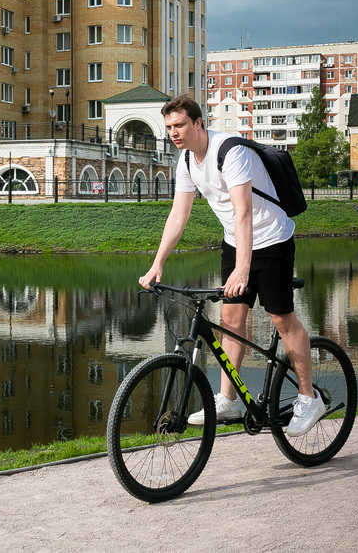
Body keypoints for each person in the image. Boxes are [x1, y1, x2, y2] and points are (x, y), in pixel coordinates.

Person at [139, 94, 325, 437]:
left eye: (179, 125)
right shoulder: (186, 161)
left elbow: (244, 211)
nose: (173, 132)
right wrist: (157, 264)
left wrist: (243, 269)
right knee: (230, 318)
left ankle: (308, 397)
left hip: (271, 239)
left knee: (281, 319)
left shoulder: (230, 151)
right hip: (234, 241)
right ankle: (229, 400)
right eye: (168, 127)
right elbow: (179, 215)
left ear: (198, 123)